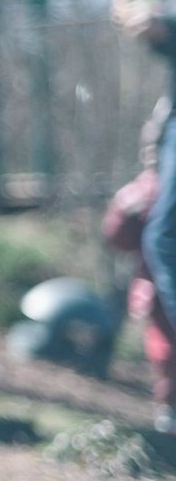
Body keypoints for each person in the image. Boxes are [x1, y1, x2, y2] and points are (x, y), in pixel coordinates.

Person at [104, 98, 176, 434]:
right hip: (160, 287)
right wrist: (129, 210)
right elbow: (117, 235)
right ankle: (168, 410)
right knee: (165, 350)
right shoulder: (147, 188)